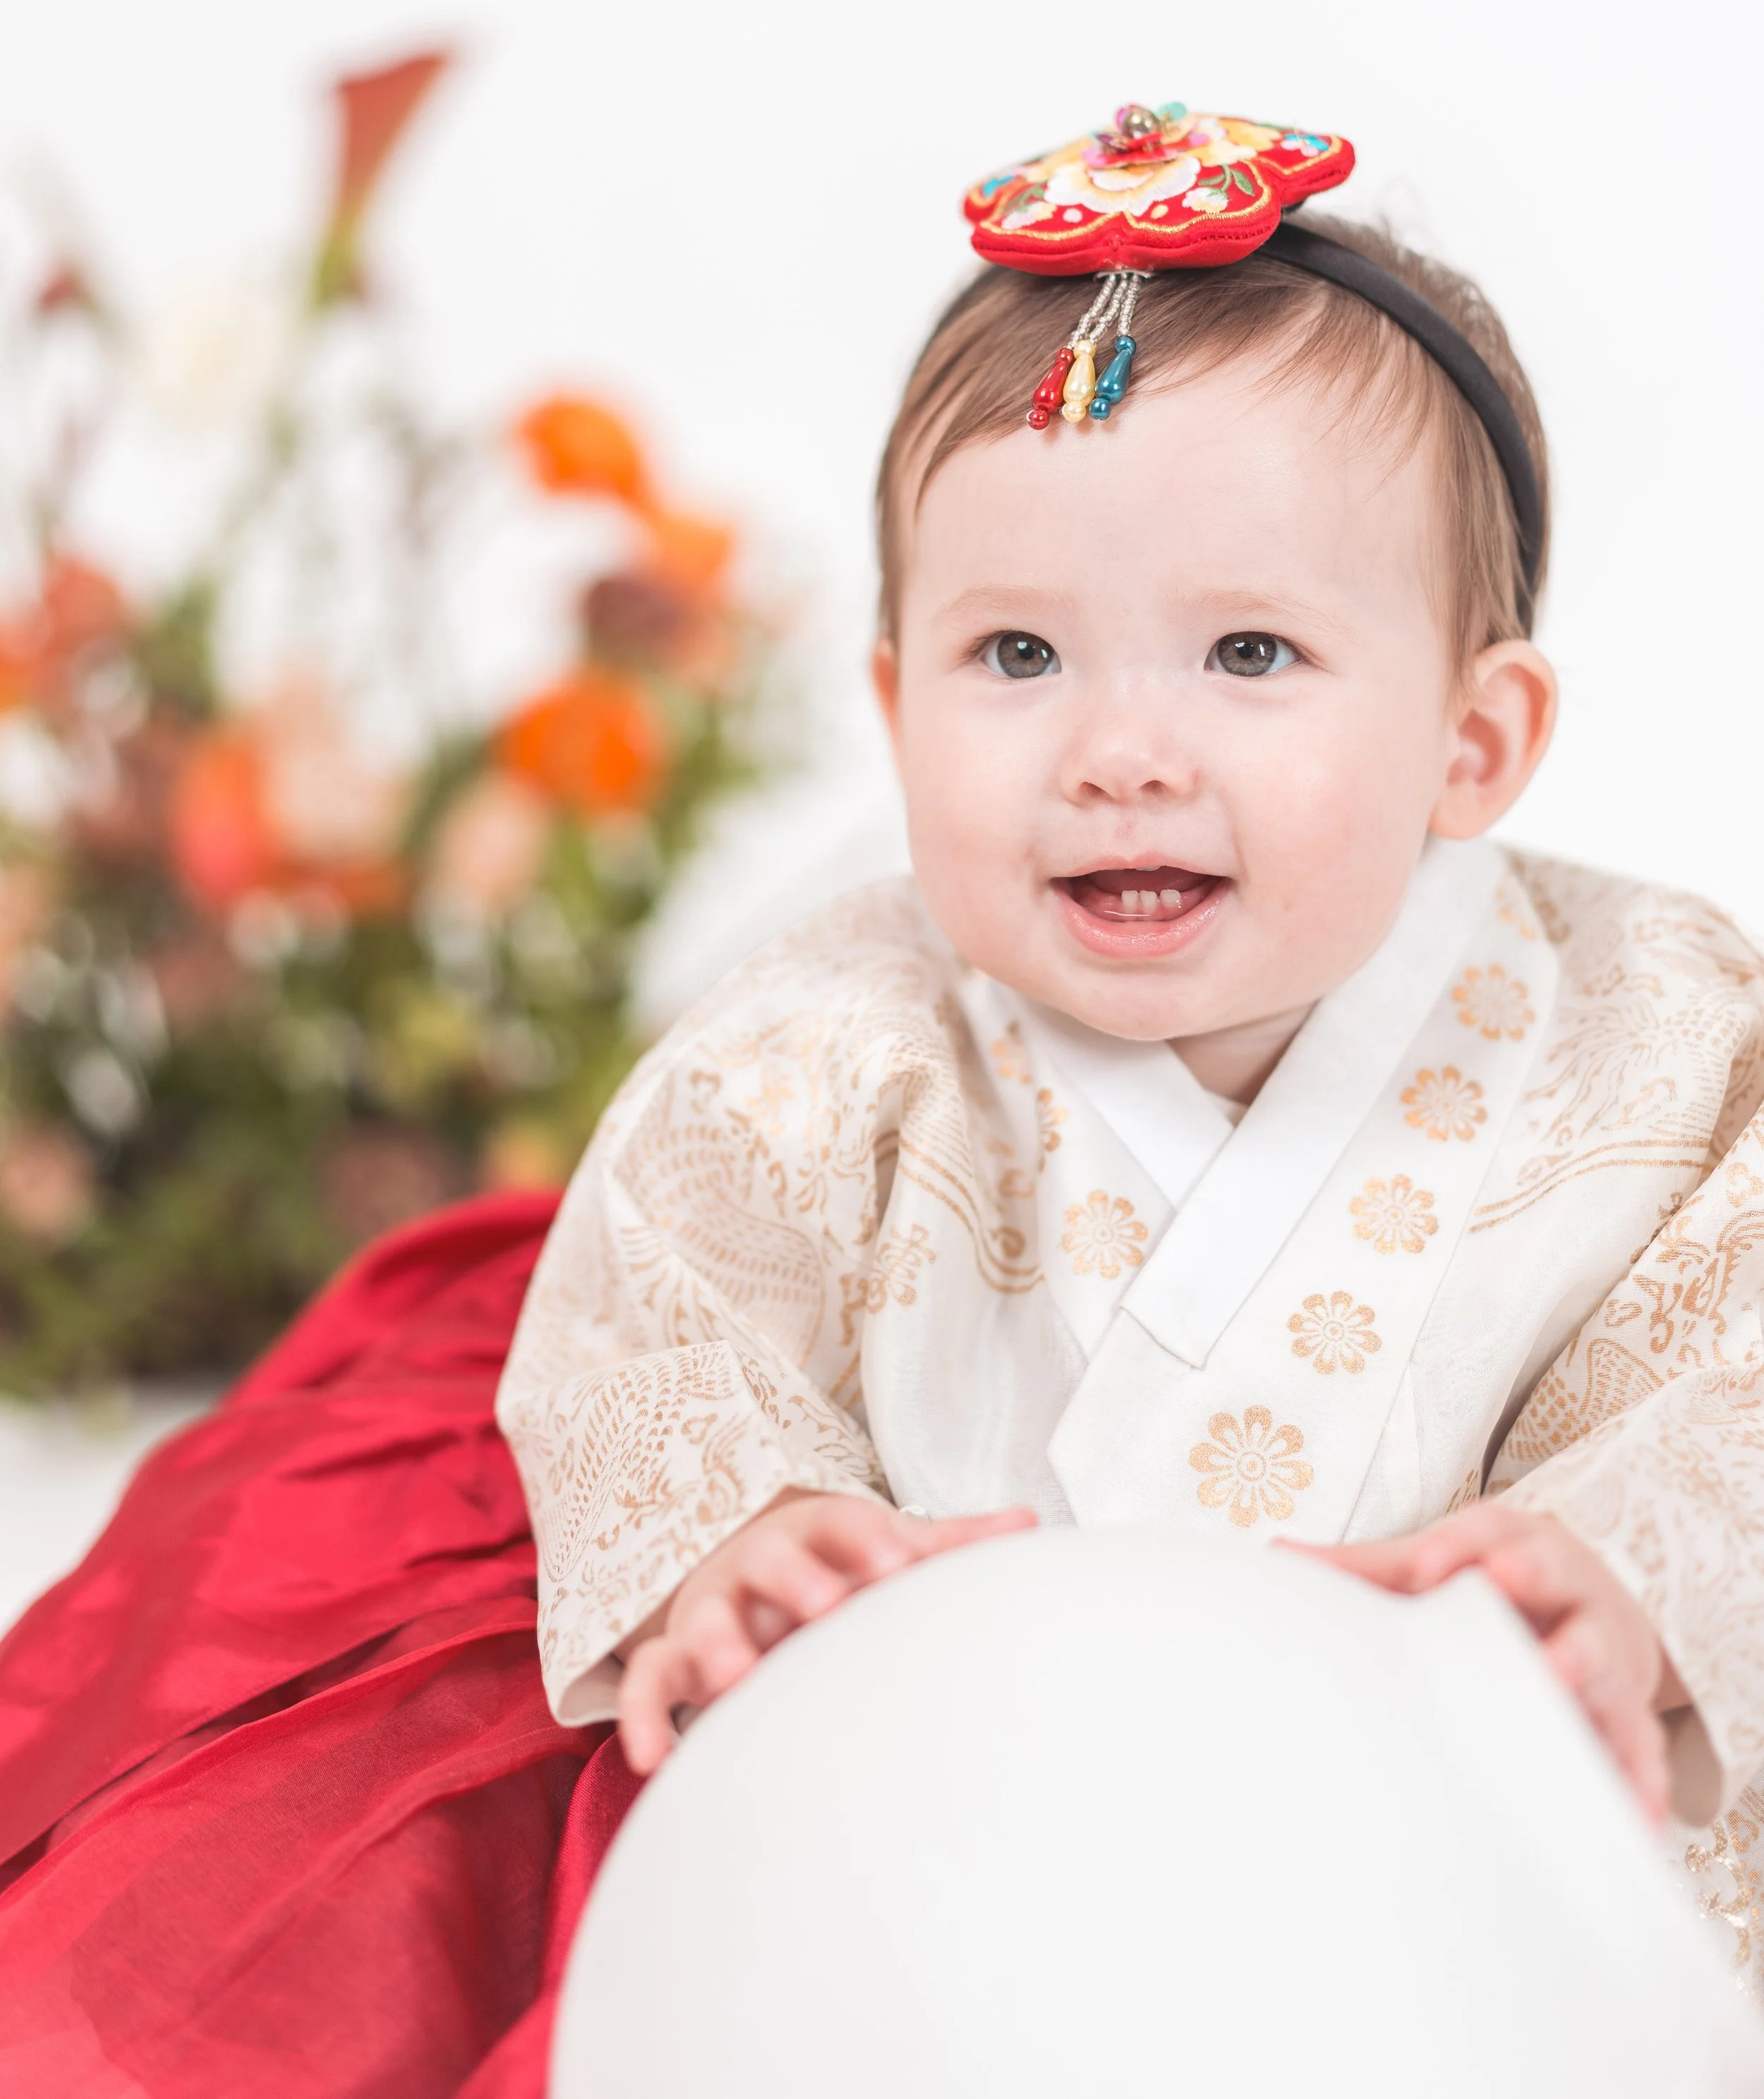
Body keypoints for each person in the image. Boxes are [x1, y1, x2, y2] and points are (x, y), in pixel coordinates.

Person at [3, 102, 1760, 2096]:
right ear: (889, 695)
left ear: (1473, 735)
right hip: (919, 1858)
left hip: (1445, 1876)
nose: (1114, 749)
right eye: (1012, 651)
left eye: (1247, 651)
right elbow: (665, 1305)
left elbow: (1743, 1372)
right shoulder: (832, 1033)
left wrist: (1633, 1578)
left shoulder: (1656, 1031)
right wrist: (741, 1527)